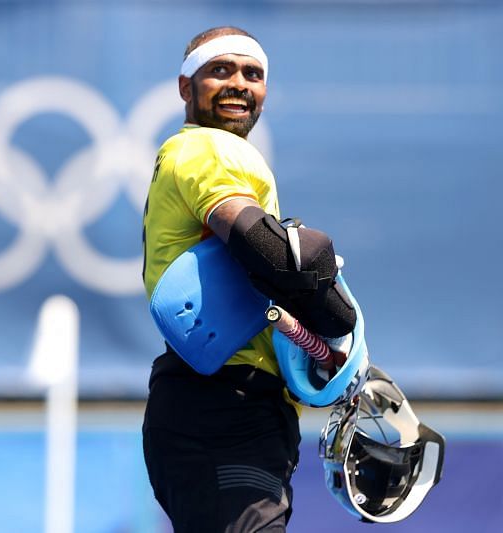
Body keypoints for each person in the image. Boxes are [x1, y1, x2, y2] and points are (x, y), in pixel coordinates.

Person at [141, 26, 356, 532]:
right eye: (221, 70)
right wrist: (336, 314)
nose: (239, 83)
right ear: (184, 87)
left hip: (213, 403)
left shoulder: (190, 151)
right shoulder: (209, 149)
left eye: (252, 74)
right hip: (225, 405)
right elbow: (266, 249)